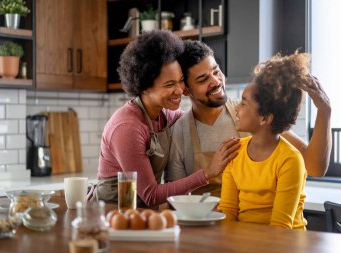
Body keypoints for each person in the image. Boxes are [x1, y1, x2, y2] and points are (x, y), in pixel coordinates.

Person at [166, 40, 332, 196]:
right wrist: (208, 172)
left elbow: (315, 167)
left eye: (216, 71)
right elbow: (175, 197)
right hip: (205, 224)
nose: (216, 81)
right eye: (203, 79)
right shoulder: (180, 131)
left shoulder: (250, 112)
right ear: (186, 90)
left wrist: (324, 111)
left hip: (254, 224)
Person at [96, 31, 236, 208]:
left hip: (141, 210)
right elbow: (151, 195)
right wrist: (207, 173)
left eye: (181, 81)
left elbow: (194, 118)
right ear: (144, 87)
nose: (180, 90)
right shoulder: (127, 127)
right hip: (113, 210)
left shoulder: (164, 116)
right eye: (170, 85)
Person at [217, 53, 310, 229]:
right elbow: (228, 212)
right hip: (244, 243)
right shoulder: (235, 151)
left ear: (264, 118)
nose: (236, 108)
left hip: (284, 244)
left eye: (244, 104)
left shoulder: (290, 160)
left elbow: (280, 226)